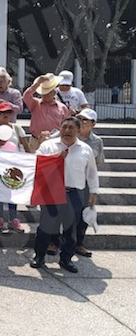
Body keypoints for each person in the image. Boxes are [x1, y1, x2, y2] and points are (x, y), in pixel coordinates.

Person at [31, 117, 99, 273]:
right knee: (46, 227)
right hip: (51, 192)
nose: (67, 131)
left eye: (71, 128)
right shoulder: (48, 146)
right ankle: (39, 256)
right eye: (64, 127)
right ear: (60, 129)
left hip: (74, 193)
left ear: (79, 130)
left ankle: (66, 259)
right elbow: (36, 164)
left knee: (71, 229)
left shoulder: (85, 149)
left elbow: (92, 173)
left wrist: (94, 192)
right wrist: (55, 158)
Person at [0, 102, 30, 234]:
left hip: (15, 165)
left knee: (13, 191)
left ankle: (13, 219)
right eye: (2, 113)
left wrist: (31, 160)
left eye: (8, 112)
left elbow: (25, 145)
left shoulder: (17, 128)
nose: (5, 115)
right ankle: (0, 218)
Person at [75, 108, 105, 258]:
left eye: (84, 120)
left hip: (86, 180)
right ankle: (55, 241)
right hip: (68, 179)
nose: (80, 122)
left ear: (93, 123)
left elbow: (99, 161)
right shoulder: (69, 134)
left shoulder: (97, 141)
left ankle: (78, 243)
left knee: (84, 213)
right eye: (79, 118)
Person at [23, 73, 71, 151]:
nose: (45, 95)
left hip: (54, 140)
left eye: (48, 93)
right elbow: (26, 96)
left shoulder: (62, 108)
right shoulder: (35, 103)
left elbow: (67, 124)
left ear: (54, 93)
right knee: (34, 162)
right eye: (43, 93)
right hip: (36, 140)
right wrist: (37, 84)